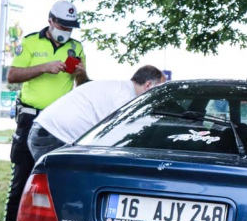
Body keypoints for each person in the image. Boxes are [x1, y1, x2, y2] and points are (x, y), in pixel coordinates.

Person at [3, 0, 88, 221]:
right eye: (63, 25)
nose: (66, 31)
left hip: (62, 122)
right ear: (50, 21)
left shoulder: (77, 47)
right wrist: (44, 67)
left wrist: (81, 74)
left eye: (71, 27)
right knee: (23, 176)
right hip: (31, 118)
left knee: (58, 178)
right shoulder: (30, 41)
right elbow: (12, 75)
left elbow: (83, 86)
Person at [28, 65, 167, 161]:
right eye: (160, 90)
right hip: (53, 135)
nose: (161, 97)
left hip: (49, 131)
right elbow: (118, 138)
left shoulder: (119, 87)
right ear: (148, 85)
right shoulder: (125, 97)